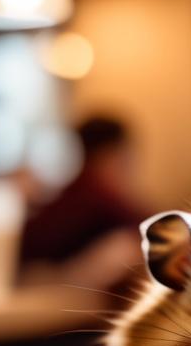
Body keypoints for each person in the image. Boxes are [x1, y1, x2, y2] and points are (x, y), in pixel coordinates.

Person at [20, 116, 148, 292]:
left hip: (33, 278)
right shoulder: (98, 193)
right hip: (49, 290)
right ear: (113, 153)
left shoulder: (74, 191)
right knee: (126, 246)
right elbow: (150, 228)